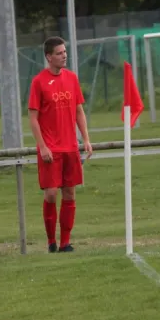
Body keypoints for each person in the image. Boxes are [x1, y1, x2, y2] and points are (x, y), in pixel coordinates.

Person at [28, 36, 93, 253]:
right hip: (50, 150)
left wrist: (86, 139)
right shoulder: (38, 82)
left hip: (70, 147)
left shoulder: (72, 79)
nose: (64, 55)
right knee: (51, 194)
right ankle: (50, 241)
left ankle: (65, 242)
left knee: (70, 194)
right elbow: (33, 118)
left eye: (64, 52)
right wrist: (43, 146)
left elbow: (78, 111)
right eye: (59, 53)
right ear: (49, 57)